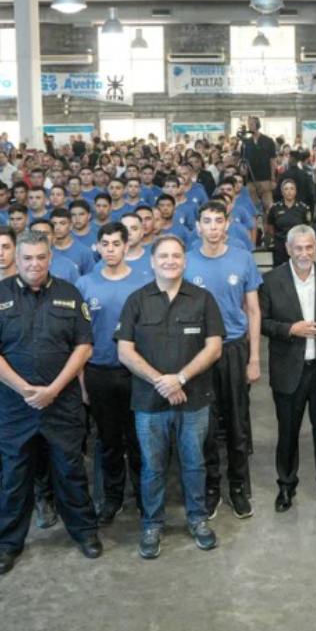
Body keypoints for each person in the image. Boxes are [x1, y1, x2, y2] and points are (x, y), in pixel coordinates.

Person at [0, 229, 101, 575]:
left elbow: (84, 347)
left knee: (70, 471)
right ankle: (8, 545)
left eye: (41, 257)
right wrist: (25, 389)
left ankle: (85, 533)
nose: (34, 264)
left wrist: (53, 389)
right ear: (17, 259)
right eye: (27, 258)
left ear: (50, 258)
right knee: (14, 479)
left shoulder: (69, 293)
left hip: (61, 404)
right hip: (15, 406)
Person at [116, 235, 225, 559]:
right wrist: (160, 381)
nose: (170, 261)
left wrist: (179, 379)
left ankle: (198, 519)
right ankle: (152, 525)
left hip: (194, 399)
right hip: (149, 403)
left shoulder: (203, 299)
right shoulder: (136, 300)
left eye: (176, 256)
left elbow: (214, 348)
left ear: (185, 261)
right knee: (152, 467)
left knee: (194, 463)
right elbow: (124, 351)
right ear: (152, 261)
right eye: (163, 256)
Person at [186, 201, 262, 519]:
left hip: (233, 349)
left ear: (227, 224)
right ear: (198, 227)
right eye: (207, 221)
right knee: (204, 425)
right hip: (199, 353)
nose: (213, 227)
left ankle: (238, 486)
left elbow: (253, 310)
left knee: (236, 423)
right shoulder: (187, 261)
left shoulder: (243, 259)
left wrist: (254, 358)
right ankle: (212, 487)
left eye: (219, 221)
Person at [259, 225, 316, 514]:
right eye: (298, 248)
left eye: (309, 247)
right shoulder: (271, 280)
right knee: (288, 432)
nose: (304, 253)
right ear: (288, 249)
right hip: (288, 370)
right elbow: (262, 322)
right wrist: (290, 329)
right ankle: (286, 484)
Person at [76, 222, 153, 526]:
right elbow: (79, 338)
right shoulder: (84, 285)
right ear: (97, 247)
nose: (110, 250)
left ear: (126, 246)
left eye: (116, 244)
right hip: (99, 373)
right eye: (104, 244)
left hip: (136, 374)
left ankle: (144, 497)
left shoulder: (144, 283)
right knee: (108, 441)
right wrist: (82, 380)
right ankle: (112, 498)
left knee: (138, 440)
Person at [266, 180, 312, 267]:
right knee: (279, 270)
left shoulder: (303, 208)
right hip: (280, 245)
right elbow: (270, 227)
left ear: (295, 191)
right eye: (286, 189)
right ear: (282, 192)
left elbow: (307, 227)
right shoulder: (275, 208)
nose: (289, 191)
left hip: (298, 245)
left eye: (292, 189)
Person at [240, 116, 277, 216]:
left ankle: (268, 224)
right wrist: (242, 170)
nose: (249, 126)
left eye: (251, 124)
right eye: (249, 124)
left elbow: (272, 160)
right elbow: (242, 160)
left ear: (258, 125)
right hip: (250, 179)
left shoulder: (268, 141)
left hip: (265, 178)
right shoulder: (246, 142)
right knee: (253, 207)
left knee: (268, 207)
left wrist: (273, 178)